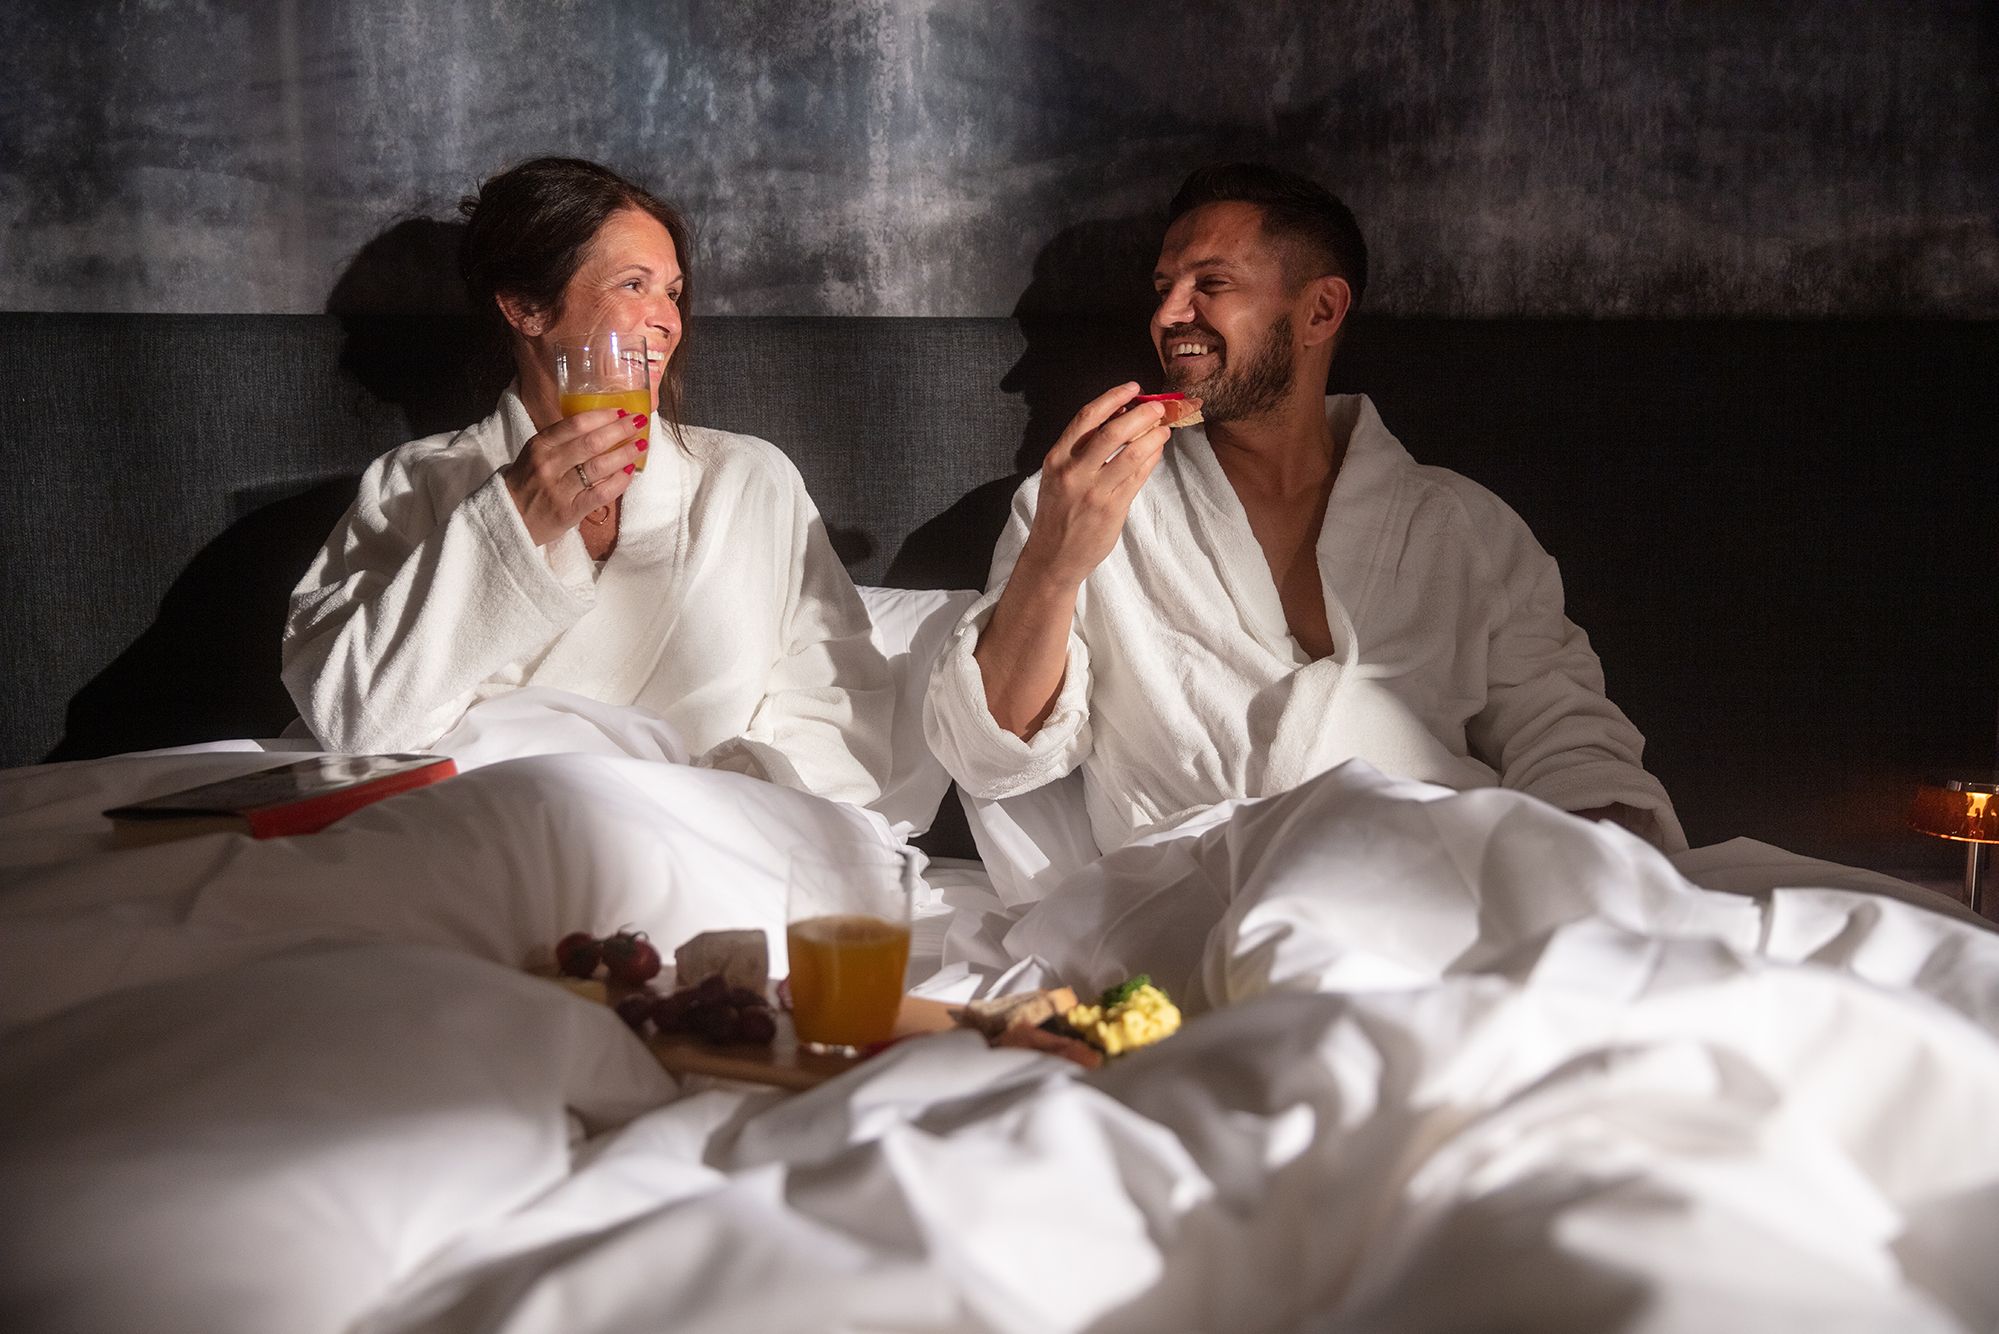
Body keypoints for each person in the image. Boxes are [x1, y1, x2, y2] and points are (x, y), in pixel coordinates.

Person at [925, 162, 1683, 853]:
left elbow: (1566, 737)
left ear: (1320, 311)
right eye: (1163, 290)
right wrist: (1057, 559)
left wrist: (1609, 886)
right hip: (1195, 900)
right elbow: (993, 755)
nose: (1168, 315)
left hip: (1433, 885)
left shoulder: (1458, 524)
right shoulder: (1081, 505)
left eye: (1210, 284)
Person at [285, 157, 891, 807]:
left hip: (712, 832)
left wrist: (729, 804)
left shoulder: (748, 480)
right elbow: (353, 726)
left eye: (673, 291)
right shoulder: (414, 484)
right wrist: (509, 524)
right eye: (634, 285)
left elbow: (835, 705)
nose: (667, 320)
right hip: (483, 833)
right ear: (526, 308)